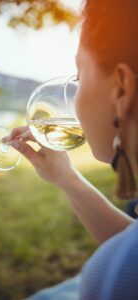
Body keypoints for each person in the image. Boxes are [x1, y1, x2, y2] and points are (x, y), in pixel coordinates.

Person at [8, 0, 138, 299]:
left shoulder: (111, 280)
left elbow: (126, 262)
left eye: (79, 78)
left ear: (121, 89)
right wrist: (67, 179)